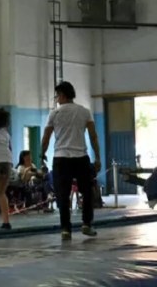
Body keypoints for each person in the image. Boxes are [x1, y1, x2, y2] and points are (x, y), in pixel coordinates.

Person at [41, 80, 101, 239]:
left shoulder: (54, 113)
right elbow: (93, 137)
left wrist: (42, 155)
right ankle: (87, 224)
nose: (56, 99)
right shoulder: (84, 112)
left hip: (61, 158)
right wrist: (98, 158)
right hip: (81, 157)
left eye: (57, 96)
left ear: (62, 95)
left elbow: (46, 137)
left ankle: (66, 229)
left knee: (62, 195)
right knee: (87, 192)